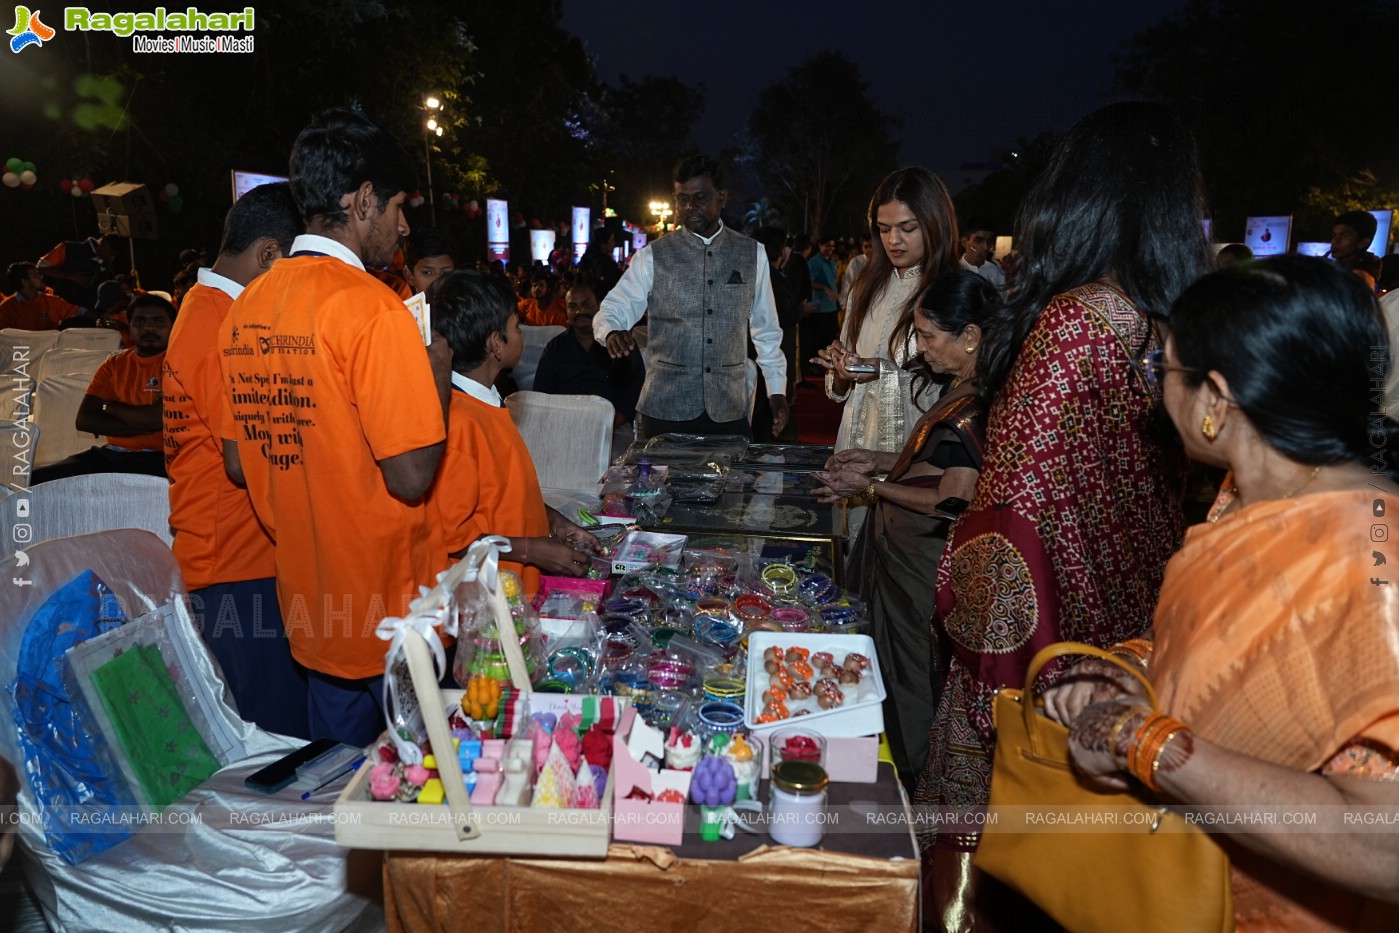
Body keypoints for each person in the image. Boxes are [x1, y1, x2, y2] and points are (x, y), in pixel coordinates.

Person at [917, 101, 1212, 927]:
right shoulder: (1159, 324)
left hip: (1029, 672)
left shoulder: (1075, 323)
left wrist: (967, 640)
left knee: (989, 885)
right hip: (1123, 654)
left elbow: (1008, 527)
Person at [1045, 256, 1399, 931]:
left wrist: (1139, 739)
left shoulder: (1371, 560)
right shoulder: (1249, 500)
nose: (1157, 391)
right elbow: (1218, 654)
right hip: (1180, 882)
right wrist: (1119, 673)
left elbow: (1384, 842)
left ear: (1213, 398)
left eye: (1163, 371)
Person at [219, 109, 451, 747]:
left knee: (334, 803)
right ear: (365, 200)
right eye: (398, 207)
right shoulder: (372, 309)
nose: (404, 226)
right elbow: (411, 476)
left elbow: (240, 462)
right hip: (386, 612)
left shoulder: (250, 306)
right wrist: (434, 375)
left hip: (310, 599)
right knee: (399, 797)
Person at [812, 270, 995, 781]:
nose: (924, 349)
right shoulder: (961, 386)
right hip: (903, 553)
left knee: (913, 682)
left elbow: (949, 499)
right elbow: (931, 462)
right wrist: (874, 458)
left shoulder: (974, 404)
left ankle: (913, 791)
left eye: (932, 337)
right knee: (888, 676)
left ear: (971, 336)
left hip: (922, 566)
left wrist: (869, 489)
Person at [163, 181, 309, 739]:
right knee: (271, 743)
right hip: (235, 567)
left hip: (234, 558)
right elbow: (245, 459)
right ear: (269, 254)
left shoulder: (211, 311)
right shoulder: (223, 325)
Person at [429, 270, 598, 597]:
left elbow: (503, 494)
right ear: (496, 343)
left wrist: (553, 521)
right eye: (515, 327)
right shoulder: (459, 422)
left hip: (517, 592)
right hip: (490, 605)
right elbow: (453, 538)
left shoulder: (487, 403)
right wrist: (532, 551)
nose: (520, 334)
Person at [595, 155, 788, 440]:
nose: (689, 207)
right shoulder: (653, 256)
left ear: (721, 197)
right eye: (682, 199)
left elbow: (766, 330)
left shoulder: (752, 254)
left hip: (728, 410)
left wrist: (777, 389)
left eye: (699, 198)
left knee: (731, 484)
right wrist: (611, 331)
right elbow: (613, 308)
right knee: (657, 485)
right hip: (663, 409)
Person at [813, 167, 959, 458]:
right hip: (855, 434)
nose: (893, 240)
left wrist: (882, 372)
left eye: (907, 228)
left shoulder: (953, 289)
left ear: (935, 224)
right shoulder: (865, 286)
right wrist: (842, 369)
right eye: (883, 229)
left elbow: (959, 388)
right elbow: (840, 386)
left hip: (916, 444)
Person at [31, 294, 174, 484]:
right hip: (111, 455)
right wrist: (146, 426)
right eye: (139, 321)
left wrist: (111, 408)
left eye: (159, 322)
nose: (149, 327)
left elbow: (156, 419)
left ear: (174, 327)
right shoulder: (114, 364)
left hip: (161, 457)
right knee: (34, 481)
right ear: (129, 329)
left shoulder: (179, 363)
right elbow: (85, 420)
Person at [534, 279, 645, 427]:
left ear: (600, 306)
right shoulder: (555, 348)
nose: (580, 311)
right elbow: (542, 395)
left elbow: (636, 387)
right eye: (573, 306)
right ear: (566, 312)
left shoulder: (619, 341)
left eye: (586, 304)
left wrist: (611, 424)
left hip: (615, 428)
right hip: (565, 427)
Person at [36, 233, 125, 310]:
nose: (112, 259)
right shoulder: (68, 248)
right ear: (103, 244)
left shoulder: (107, 265)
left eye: (114, 256)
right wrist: (71, 276)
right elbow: (41, 268)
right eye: (111, 254)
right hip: (63, 310)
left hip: (89, 314)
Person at [0, 261, 81, 330]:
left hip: (49, 348)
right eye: (35, 276)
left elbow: (80, 311)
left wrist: (93, 316)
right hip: (21, 348)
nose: (41, 276)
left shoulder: (51, 300)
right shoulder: (6, 308)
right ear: (24, 282)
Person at [802, 235, 839, 362]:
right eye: (827, 246)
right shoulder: (815, 262)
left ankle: (827, 361)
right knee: (818, 339)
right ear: (820, 246)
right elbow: (808, 282)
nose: (830, 248)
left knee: (829, 338)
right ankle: (816, 362)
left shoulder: (832, 261)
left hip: (831, 306)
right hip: (819, 307)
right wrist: (824, 288)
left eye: (832, 246)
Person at [1330, 209, 1383, 289]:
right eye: (1334, 235)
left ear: (1363, 243)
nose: (1334, 241)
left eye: (1344, 236)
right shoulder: (1335, 265)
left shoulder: (1366, 271)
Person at [957, 216, 1006, 293]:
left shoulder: (996, 272)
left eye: (989, 241)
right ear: (964, 242)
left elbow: (1002, 302)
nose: (985, 247)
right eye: (979, 240)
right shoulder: (954, 270)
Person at [403, 228, 456, 295]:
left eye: (446, 273)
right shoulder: (398, 305)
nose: (438, 280)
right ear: (409, 276)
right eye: (427, 272)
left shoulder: (467, 304)